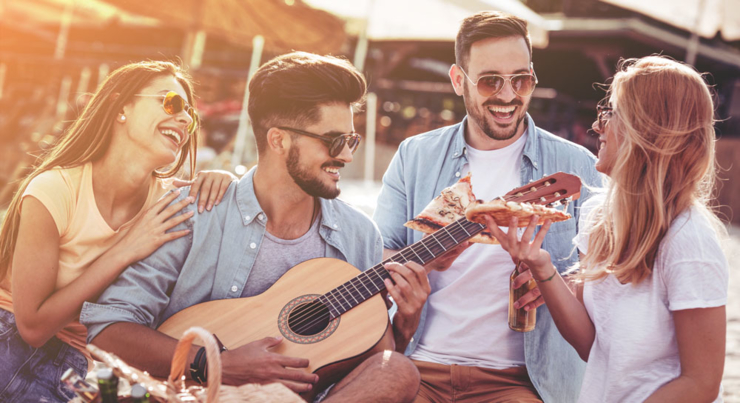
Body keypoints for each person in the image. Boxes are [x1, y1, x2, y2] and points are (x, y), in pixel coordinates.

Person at [81, 52, 424, 403]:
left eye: (351, 140)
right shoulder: (195, 213)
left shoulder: (360, 235)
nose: (347, 156)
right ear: (278, 140)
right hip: (192, 395)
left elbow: (363, 357)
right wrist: (215, 364)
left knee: (397, 370)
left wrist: (403, 325)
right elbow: (109, 331)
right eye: (334, 141)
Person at [373, 11, 602, 402]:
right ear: (458, 80)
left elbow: (608, 277)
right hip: (418, 367)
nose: (509, 96)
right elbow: (378, 253)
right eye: (490, 80)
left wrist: (559, 286)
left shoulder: (577, 165)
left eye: (521, 79)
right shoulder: (415, 155)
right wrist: (428, 261)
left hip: (521, 381)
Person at [488, 56, 728, 402]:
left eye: (611, 114)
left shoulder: (688, 240)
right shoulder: (596, 216)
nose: (597, 127)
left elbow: (701, 383)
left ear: (646, 129)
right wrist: (542, 267)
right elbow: (592, 346)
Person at [0, 60, 236, 402]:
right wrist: (126, 249)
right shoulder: (54, 190)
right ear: (120, 106)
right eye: (171, 103)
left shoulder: (172, 204)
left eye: (191, 115)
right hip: (13, 344)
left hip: (96, 363)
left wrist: (228, 185)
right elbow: (33, 327)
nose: (185, 120)